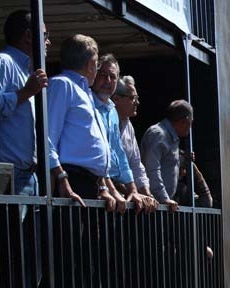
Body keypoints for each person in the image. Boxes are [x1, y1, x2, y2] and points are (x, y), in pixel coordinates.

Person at [46, 33, 114, 209]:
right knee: (72, 236)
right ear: (90, 63)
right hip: (72, 181)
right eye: (97, 64)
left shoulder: (85, 91)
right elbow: (47, 138)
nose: (97, 68)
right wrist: (62, 178)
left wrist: (102, 186)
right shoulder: (62, 85)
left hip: (90, 185)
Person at [0, 9, 50, 196]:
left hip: (30, 174)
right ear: (28, 36)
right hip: (10, 173)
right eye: (45, 35)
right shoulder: (4, 61)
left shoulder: (27, 70)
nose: (48, 41)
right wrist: (26, 92)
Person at [91, 54, 154, 214]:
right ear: (94, 75)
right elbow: (96, 155)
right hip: (96, 187)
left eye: (112, 77)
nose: (108, 81)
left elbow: (121, 156)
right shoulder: (87, 104)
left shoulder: (111, 111)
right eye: (103, 75)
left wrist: (134, 189)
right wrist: (111, 189)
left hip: (115, 192)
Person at [140, 100, 195, 212]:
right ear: (186, 121)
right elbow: (152, 169)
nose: (190, 128)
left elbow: (168, 164)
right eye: (191, 123)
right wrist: (164, 198)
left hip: (161, 205)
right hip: (151, 206)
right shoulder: (158, 134)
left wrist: (183, 160)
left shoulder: (172, 139)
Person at [112, 75, 154, 199]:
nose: (137, 102)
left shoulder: (128, 125)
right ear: (116, 99)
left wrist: (147, 194)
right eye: (133, 98)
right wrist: (131, 192)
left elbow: (136, 164)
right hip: (107, 196)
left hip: (125, 197)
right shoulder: (104, 119)